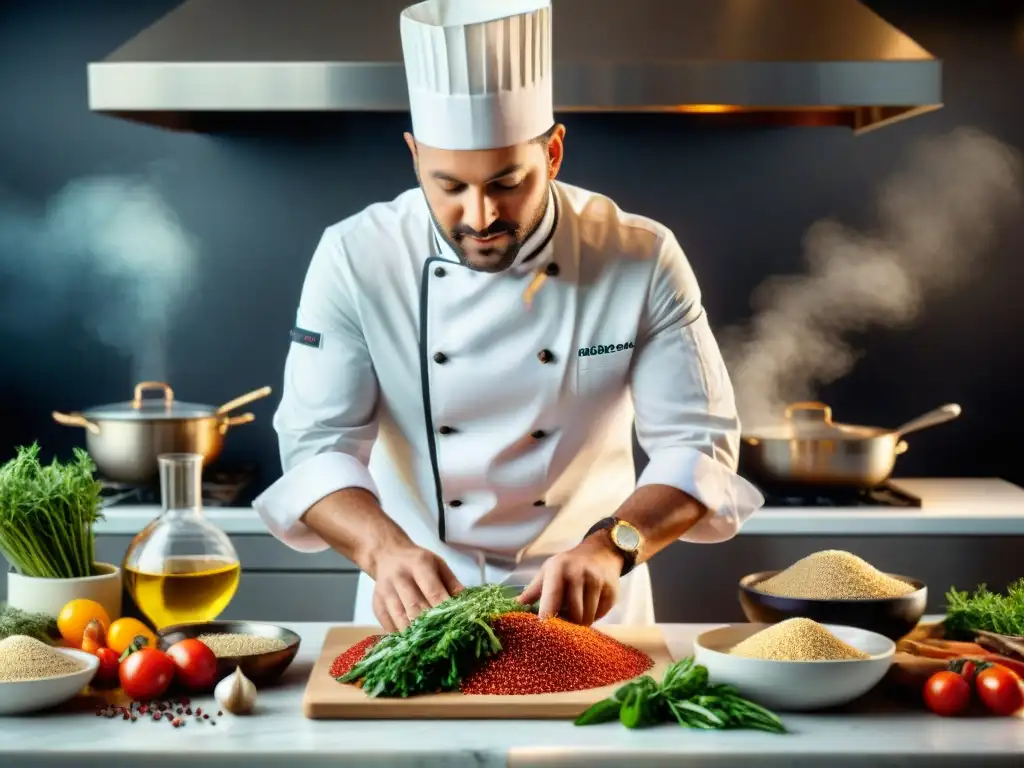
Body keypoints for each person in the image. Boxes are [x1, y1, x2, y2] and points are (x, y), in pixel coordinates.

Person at [253, 0, 764, 631]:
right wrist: (381, 549)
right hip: (415, 605)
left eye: (505, 182)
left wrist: (611, 548)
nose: (479, 215)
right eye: (448, 185)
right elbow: (316, 446)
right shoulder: (357, 257)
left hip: (592, 605)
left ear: (552, 154)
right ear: (414, 156)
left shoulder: (639, 256)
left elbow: (696, 448)